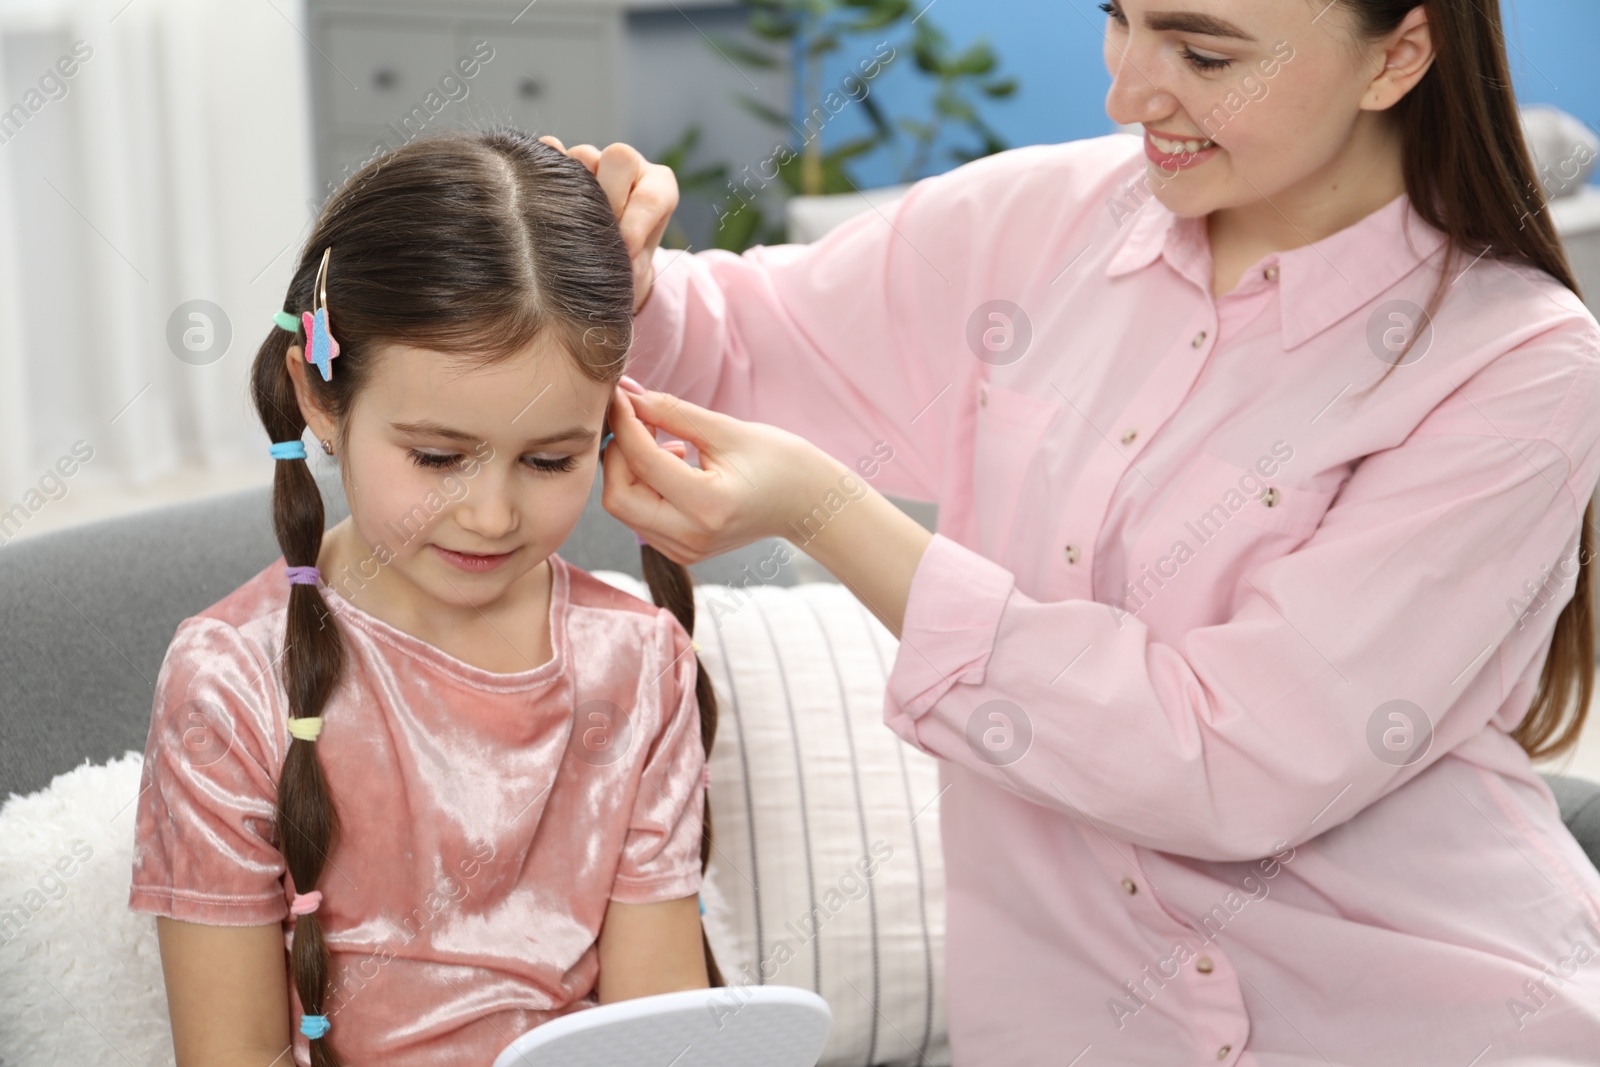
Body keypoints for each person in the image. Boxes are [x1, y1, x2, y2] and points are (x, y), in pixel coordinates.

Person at [558, 0, 1600, 1062]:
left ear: (1400, 55)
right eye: (1120, 21)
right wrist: (619, 277)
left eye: (1201, 52)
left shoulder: (1517, 365)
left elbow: (1232, 763)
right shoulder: (1034, 225)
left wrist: (830, 516)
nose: (1125, 92)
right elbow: (737, 344)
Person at [127, 128, 722, 1067]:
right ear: (320, 399)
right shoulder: (229, 682)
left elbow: (661, 1036)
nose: (490, 514)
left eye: (551, 459)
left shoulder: (638, 661)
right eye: (438, 457)